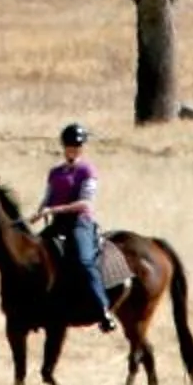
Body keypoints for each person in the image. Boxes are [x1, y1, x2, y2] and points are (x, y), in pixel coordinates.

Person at [36, 121, 116, 332]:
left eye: (77, 145)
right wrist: (39, 212)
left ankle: (103, 310)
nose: (73, 148)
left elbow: (85, 202)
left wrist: (54, 210)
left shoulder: (87, 170)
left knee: (83, 260)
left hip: (80, 222)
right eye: (70, 144)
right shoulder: (55, 172)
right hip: (57, 223)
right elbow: (48, 197)